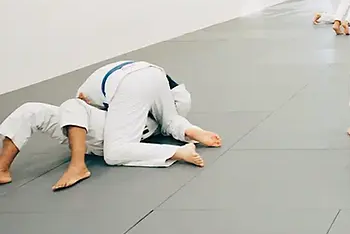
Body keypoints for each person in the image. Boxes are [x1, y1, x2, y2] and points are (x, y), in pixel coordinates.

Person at [0, 83, 202, 189]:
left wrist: (194, 133)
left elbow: (173, 121)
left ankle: (78, 166)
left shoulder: (165, 101)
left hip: (112, 131)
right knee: (31, 110)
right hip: (84, 130)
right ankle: (2, 169)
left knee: (73, 105)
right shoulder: (126, 85)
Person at [67, 62, 220, 190]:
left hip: (128, 85)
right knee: (168, 119)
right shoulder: (91, 83)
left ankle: (178, 152)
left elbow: (109, 120)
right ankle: (192, 130)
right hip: (153, 72)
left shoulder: (82, 100)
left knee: (114, 151)